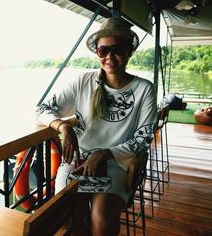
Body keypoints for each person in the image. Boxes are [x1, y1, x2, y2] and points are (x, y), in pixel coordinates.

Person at [36, 17, 157, 236]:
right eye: (103, 51)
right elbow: (42, 109)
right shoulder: (83, 81)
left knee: (101, 221)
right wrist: (63, 126)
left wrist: (105, 153)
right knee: (69, 218)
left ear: (129, 51)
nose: (110, 57)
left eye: (117, 49)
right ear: (97, 53)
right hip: (78, 161)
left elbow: (144, 138)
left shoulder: (144, 89)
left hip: (117, 164)